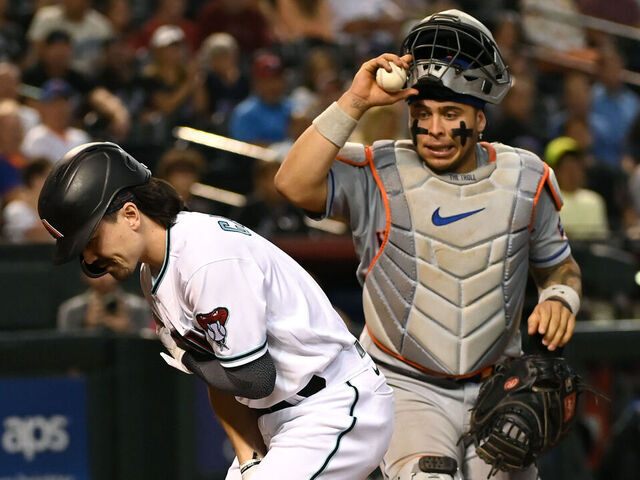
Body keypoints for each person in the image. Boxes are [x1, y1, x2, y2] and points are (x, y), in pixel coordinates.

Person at [275, 9, 583, 480]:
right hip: (404, 385)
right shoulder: (377, 171)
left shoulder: (528, 177)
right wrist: (356, 100)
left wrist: (561, 297)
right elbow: (293, 184)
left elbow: (560, 268)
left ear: (479, 119)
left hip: (498, 387)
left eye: (450, 114)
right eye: (422, 115)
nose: (435, 129)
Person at [37, 141, 393, 480]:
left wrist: (190, 360)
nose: (89, 259)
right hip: (283, 419)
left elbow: (254, 378)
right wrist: (249, 459)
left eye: (91, 240)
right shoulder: (155, 272)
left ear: (130, 214)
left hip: (334, 405)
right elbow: (223, 384)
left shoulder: (205, 257)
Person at [57, 272, 151, 334]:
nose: (102, 278)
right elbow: (67, 351)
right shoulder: (70, 310)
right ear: (84, 274)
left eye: (107, 271)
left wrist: (127, 329)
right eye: (96, 271)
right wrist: (88, 326)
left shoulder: (139, 307)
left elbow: (145, 350)